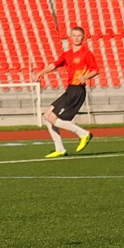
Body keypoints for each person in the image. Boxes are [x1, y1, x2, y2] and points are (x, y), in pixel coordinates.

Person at [38, 26, 98, 158]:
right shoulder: (67, 54)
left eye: (79, 36)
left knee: (52, 118)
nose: (76, 38)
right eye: (74, 35)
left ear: (83, 38)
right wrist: (41, 73)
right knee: (47, 116)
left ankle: (83, 134)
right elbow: (54, 64)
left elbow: (95, 70)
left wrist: (86, 77)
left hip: (77, 90)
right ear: (70, 37)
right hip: (70, 89)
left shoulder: (86, 53)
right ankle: (60, 149)